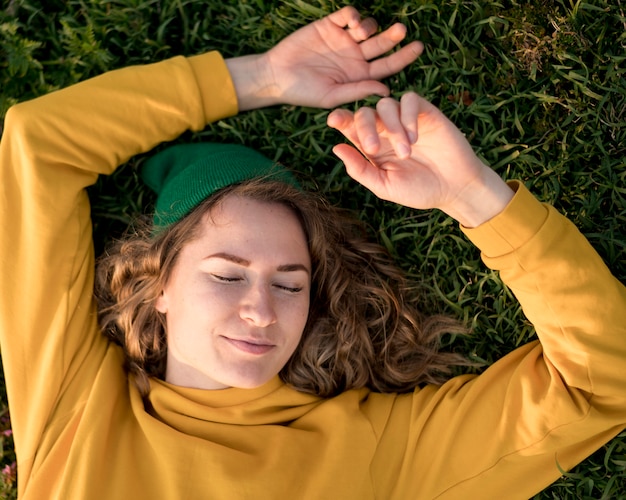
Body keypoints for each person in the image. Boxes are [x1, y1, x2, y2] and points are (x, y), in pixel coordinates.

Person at [0, 6, 625, 499]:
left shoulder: (378, 449)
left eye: (291, 284)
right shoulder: (76, 403)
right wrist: (261, 77)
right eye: (226, 275)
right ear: (159, 285)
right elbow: (39, 147)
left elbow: (606, 383)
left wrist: (472, 195)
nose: (262, 310)